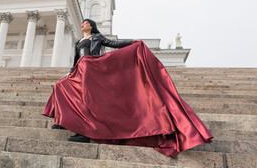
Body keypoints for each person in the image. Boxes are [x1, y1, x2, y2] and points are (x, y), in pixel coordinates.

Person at [43, 19, 213, 158]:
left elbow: (113, 43)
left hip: (90, 67)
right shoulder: (77, 41)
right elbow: (75, 59)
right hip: (79, 68)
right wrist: (70, 72)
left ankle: (86, 133)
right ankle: (62, 119)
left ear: (92, 26)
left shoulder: (97, 37)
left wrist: (131, 42)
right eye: (82, 23)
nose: (83, 24)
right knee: (61, 86)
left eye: (86, 22)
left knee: (87, 98)